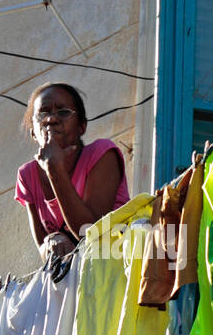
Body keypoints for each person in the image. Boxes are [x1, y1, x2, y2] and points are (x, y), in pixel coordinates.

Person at [14, 83, 129, 262]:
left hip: (114, 266)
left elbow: (91, 234)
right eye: (43, 113)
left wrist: (54, 169)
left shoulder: (102, 153)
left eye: (63, 112)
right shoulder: (27, 175)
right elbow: (43, 249)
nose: (51, 119)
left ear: (81, 126)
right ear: (33, 134)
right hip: (71, 281)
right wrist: (52, 241)